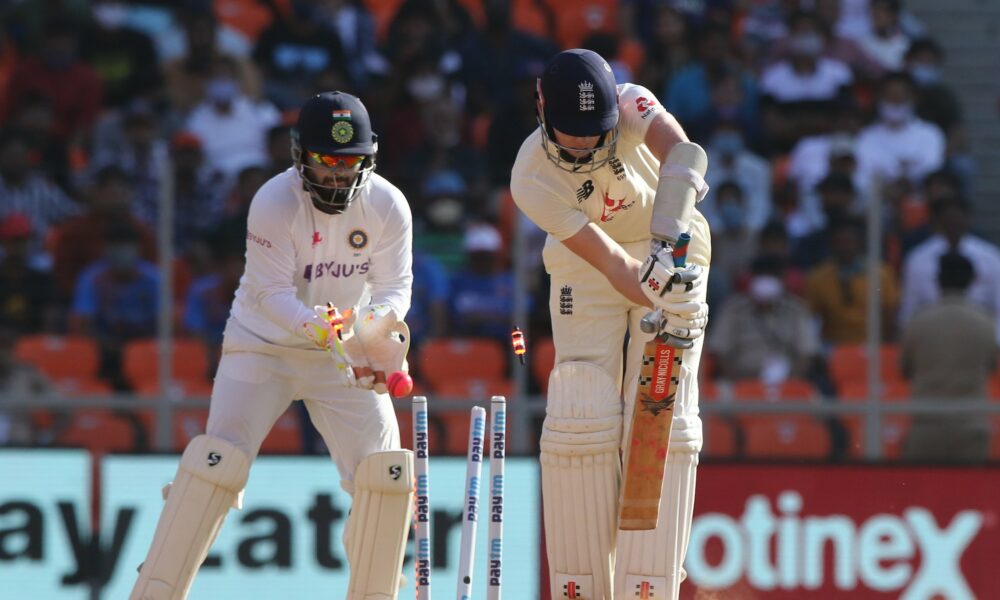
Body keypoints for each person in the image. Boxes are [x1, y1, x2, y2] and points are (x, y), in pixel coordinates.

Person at [131, 91, 415, 599]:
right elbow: (270, 294)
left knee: (385, 477)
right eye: (326, 161)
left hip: (342, 355)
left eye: (350, 162)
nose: (338, 175)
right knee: (216, 463)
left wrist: (377, 329)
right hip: (263, 345)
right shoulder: (274, 201)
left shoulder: (388, 204)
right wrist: (324, 332)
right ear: (300, 155)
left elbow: (395, 286)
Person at [510, 49, 711, 599]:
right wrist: (653, 286)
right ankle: (584, 584)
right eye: (571, 135)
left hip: (672, 241)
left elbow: (684, 154)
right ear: (542, 109)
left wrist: (671, 259)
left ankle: (650, 583)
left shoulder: (631, 103)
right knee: (581, 401)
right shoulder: (531, 176)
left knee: (663, 398)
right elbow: (615, 267)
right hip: (591, 261)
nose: (582, 146)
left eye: (594, 134)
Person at [901, 251, 997, 462]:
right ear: (971, 281)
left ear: (938, 279)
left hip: (926, 425)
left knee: (921, 484)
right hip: (970, 424)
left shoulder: (918, 321)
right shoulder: (985, 323)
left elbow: (905, 369)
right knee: (970, 484)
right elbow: (992, 366)